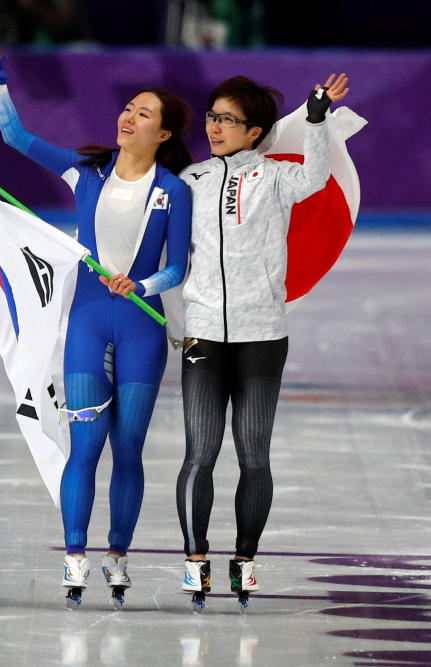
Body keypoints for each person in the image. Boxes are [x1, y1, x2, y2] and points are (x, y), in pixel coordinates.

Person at [0, 25, 193, 607]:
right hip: (89, 325)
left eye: (143, 114)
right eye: (127, 108)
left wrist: (141, 283)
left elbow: (178, 270)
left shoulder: (174, 191)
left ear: (162, 133)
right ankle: (74, 554)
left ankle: (117, 553)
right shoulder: (85, 173)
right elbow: (15, 136)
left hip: (142, 326)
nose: (129, 117)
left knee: (129, 449)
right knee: (85, 446)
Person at [175, 72, 350, 606]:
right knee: (199, 453)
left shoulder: (278, 178)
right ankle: (195, 559)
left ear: (254, 132)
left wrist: (316, 116)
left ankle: (245, 559)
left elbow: (317, 176)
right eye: (212, 116)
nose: (214, 126)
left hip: (262, 336)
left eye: (227, 119)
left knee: (254, 455)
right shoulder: (190, 179)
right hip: (203, 334)